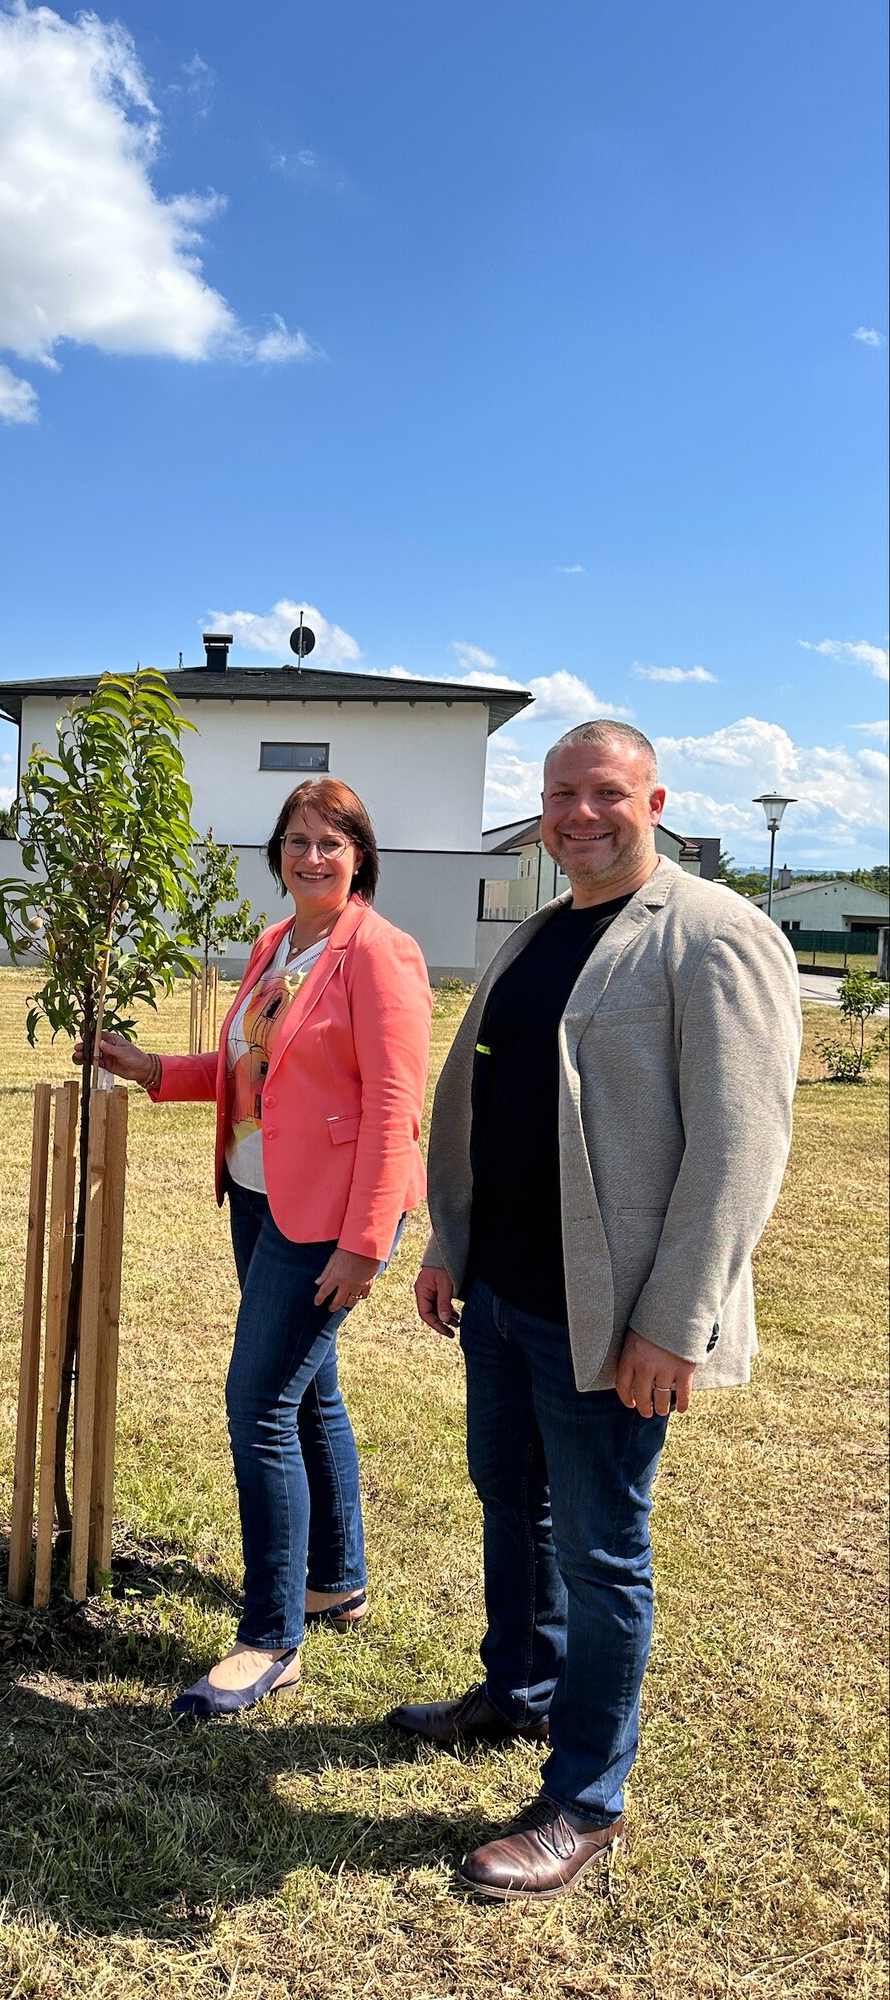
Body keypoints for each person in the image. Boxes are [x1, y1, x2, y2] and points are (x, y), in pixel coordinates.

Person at [392, 719, 801, 1900]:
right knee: (507, 1505)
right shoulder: (537, 932)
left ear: (654, 798)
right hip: (505, 1298)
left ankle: (585, 1797)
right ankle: (516, 1691)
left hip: (611, 1321)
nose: (580, 813)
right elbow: (483, 1099)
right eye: (560, 792)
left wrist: (674, 1320)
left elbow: (738, 1147)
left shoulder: (717, 934)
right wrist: (449, 1243)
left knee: (601, 1545)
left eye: (604, 792)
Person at [92, 778, 432, 1717]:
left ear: (360, 855)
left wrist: (367, 1242)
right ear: (275, 851)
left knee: (258, 1401)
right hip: (256, 1197)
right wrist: (154, 1068)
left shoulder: (380, 954)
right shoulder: (276, 945)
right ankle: (336, 1579)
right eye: (296, 838)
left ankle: (270, 1637)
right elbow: (258, 1074)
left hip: (326, 1216)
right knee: (307, 1389)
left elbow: (395, 1107)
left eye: (332, 840)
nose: (311, 855)